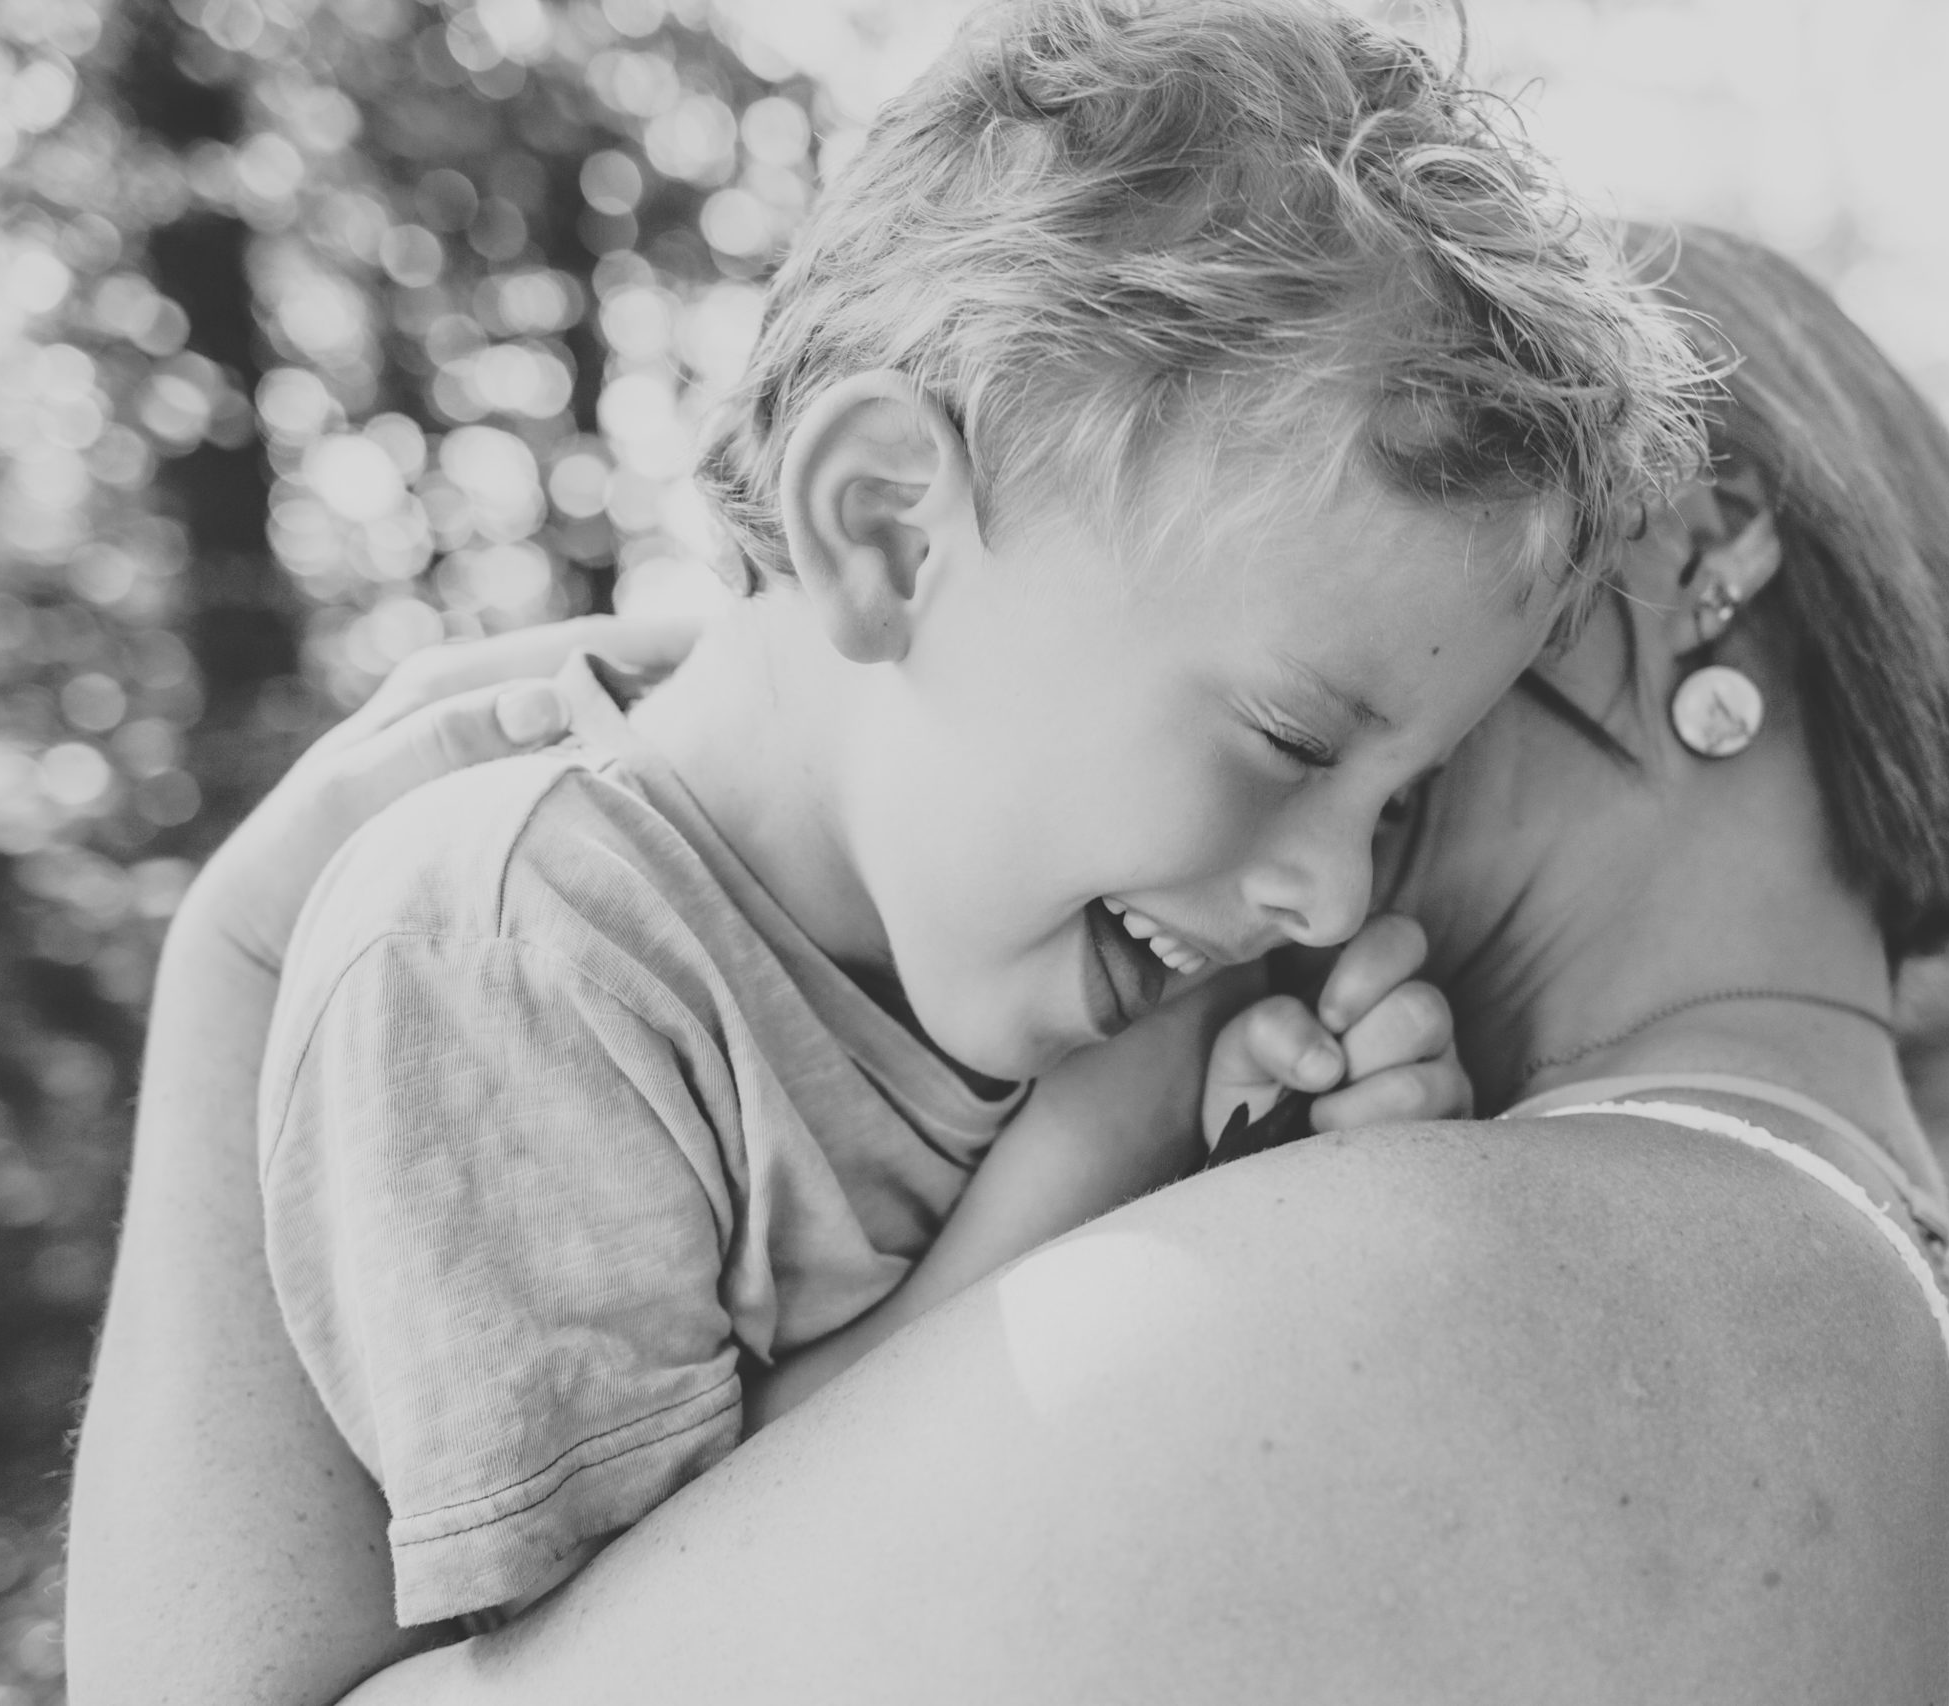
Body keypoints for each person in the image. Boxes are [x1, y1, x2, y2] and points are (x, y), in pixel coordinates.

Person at [64, 203, 1949, 1706]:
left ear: (1664, 574)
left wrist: (244, 948)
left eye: (1380, 723)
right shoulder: (1787, 1259)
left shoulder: (1500, 1275)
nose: (1295, 857)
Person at [246, 0, 1701, 1646]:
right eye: (1295, 740)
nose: (1327, 889)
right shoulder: (516, 963)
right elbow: (667, 1652)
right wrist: (1093, 1156)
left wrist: (1283, 1208)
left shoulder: (1031, 938)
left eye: (1402, 799)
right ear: (887, 535)